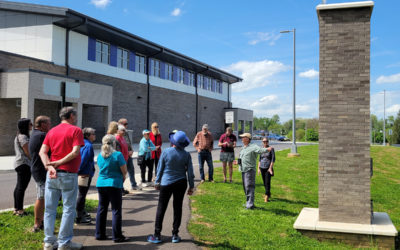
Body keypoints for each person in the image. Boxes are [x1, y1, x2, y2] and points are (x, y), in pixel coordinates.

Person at [39, 106, 84, 250]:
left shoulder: (52, 131)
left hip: (52, 174)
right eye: (75, 116)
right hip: (68, 173)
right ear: (71, 116)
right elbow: (75, 152)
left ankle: (49, 242)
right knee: (68, 209)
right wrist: (59, 162)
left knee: (50, 209)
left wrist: (49, 166)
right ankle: (64, 243)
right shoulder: (76, 130)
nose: (76, 118)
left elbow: (43, 152)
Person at [147, 131, 195, 244]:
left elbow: (160, 168)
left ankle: (157, 235)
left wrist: (157, 182)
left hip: (166, 182)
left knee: (161, 208)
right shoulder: (186, 155)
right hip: (181, 182)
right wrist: (191, 186)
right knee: (177, 207)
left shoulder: (166, 152)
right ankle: (175, 234)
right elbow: (190, 172)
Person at [95, 134, 128, 243]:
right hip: (114, 184)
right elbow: (124, 170)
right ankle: (117, 236)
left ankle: (99, 234)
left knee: (101, 209)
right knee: (116, 210)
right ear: (114, 143)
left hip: (101, 183)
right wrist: (123, 176)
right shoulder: (118, 155)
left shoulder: (100, 155)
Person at [238, 133, 272, 209]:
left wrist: (267, 149)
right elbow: (242, 158)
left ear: (247, 138)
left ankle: (250, 205)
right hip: (243, 169)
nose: (242, 139)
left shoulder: (253, 146)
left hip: (249, 170)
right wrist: (238, 162)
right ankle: (248, 202)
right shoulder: (243, 148)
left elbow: (260, 150)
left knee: (249, 187)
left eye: (243, 137)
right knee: (245, 187)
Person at [29, 116, 51, 232]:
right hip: (40, 170)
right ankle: (37, 224)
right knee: (41, 197)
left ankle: (40, 221)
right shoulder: (42, 136)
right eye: (48, 123)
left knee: (43, 196)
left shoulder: (35, 134)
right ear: (42, 124)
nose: (50, 125)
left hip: (37, 169)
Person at [75, 127, 96, 224]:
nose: (94, 135)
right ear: (88, 135)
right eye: (93, 133)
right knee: (82, 195)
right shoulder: (88, 146)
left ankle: (81, 211)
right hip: (84, 174)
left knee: (80, 194)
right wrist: (78, 171)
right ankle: (79, 216)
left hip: (81, 172)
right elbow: (83, 160)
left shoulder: (81, 143)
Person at [13, 118, 32, 217]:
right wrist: (34, 161)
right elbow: (28, 152)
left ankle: (16, 208)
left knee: (19, 187)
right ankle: (20, 210)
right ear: (25, 126)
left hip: (19, 164)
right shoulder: (23, 137)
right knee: (21, 188)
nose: (31, 126)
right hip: (24, 164)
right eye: (30, 124)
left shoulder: (19, 136)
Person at [118, 118, 141, 191]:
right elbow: (120, 146)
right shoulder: (118, 134)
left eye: (126, 124)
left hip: (129, 155)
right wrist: (127, 152)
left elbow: (128, 142)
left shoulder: (125, 132)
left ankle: (133, 185)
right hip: (123, 156)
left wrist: (131, 150)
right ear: (120, 124)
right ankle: (120, 188)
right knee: (122, 172)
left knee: (131, 170)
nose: (126, 126)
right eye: (125, 124)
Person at [258, 137, 275, 203]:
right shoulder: (261, 149)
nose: (265, 143)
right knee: (264, 183)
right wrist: (258, 168)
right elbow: (260, 159)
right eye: (263, 141)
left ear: (268, 142)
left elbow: (273, 159)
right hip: (262, 167)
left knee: (267, 182)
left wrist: (270, 168)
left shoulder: (271, 149)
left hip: (268, 168)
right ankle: (268, 193)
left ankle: (266, 196)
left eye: (266, 141)